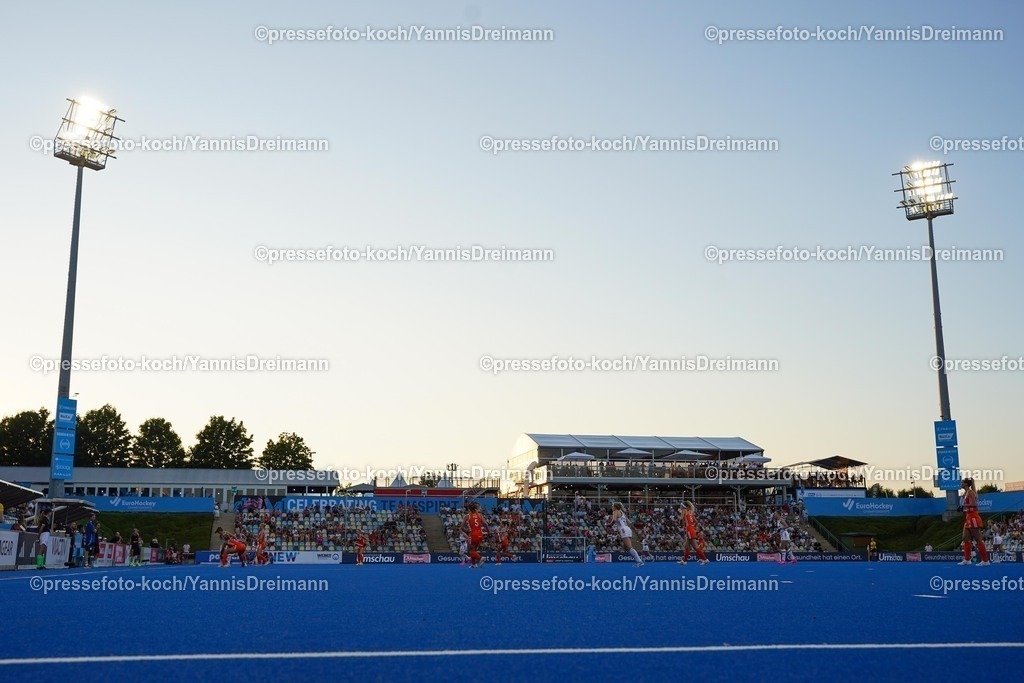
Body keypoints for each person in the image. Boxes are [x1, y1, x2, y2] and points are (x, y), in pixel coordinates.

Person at [960, 477, 990, 566]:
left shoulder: (970, 492)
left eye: (962, 482)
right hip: (969, 516)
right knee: (965, 538)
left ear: (966, 484)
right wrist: (964, 510)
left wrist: (963, 505)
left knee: (978, 539)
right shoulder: (967, 492)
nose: (961, 484)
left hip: (973, 517)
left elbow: (974, 504)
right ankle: (967, 559)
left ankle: (985, 560)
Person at [610, 502, 644, 567]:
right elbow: (629, 522)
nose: (612, 507)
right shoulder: (622, 513)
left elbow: (614, 520)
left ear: (615, 507)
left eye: (612, 506)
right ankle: (638, 560)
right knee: (626, 547)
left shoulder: (615, 511)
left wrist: (610, 525)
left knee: (629, 546)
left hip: (623, 529)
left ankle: (639, 561)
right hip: (627, 529)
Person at [677, 502, 709, 566]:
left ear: (683, 506)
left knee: (695, 546)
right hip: (691, 528)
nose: (680, 507)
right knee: (686, 546)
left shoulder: (684, 510)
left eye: (680, 506)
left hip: (689, 529)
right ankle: (684, 561)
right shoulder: (690, 512)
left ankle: (705, 559)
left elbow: (681, 520)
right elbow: (696, 521)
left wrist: (682, 527)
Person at [460, 501, 489, 568]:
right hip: (480, 534)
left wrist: (466, 530)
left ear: (469, 509)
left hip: (473, 534)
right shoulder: (480, 515)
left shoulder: (467, 516)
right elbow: (486, 524)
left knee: (471, 550)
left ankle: (480, 558)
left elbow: (461, 527)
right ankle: (474, 564)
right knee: (474, 549)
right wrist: (489, 531)